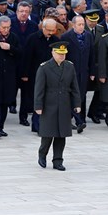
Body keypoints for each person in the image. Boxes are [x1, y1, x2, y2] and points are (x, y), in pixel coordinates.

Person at [34, 41, 81, 171]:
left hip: (64, 104)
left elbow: (74, 87)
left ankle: (58, 160)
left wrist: (77, 104)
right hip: (49, 104)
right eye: (59, 54)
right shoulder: (44, 67)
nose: (62, 56)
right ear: (53, 53)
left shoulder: (69, 66)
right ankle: (42, 154)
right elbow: (39, 89)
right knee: (48, 134)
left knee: (62, 135)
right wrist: (38, 105)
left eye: (63, 54)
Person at [61, 15, 95, 132]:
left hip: (84, 72)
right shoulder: (66, 37)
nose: (81, 27)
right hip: (71, 72)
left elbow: (92, 55)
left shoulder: (89, 36)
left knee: (82, 95)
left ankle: (81, 119)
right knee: (71, 96)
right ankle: (73, 120)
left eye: (82, 24)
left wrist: (92, 71)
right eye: (79, 25)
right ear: (73, 25)